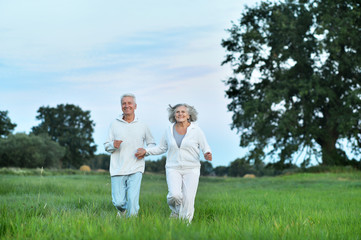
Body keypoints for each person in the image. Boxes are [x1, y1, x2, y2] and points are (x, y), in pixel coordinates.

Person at [135, 103, 212, 223]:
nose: (180, 114)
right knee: (174, 195)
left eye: (183, 112)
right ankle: (176, 211)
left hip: (192, 168)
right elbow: (161, 148)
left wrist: (207, 153)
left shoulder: (196, 130)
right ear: (174, 115)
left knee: (188, 199)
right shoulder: (169, 130)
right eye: (177, 112)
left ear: (189, 115)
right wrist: (146, 151)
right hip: (173, 167)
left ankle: (185, 225)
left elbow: (205, 146)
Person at [104, 93, 155, 218]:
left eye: (129, 103)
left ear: (135, 106)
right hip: (117, 168)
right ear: (121, 106)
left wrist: (145, 151)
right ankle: (122, 211)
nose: (126, 106)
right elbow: (106, 145)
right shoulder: (114, 124)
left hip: (136, 167)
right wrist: (112, 145)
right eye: (124, 103)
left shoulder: (143, 125)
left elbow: (152, 143)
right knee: (118, 202)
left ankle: (132, 226)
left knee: (132, 200)